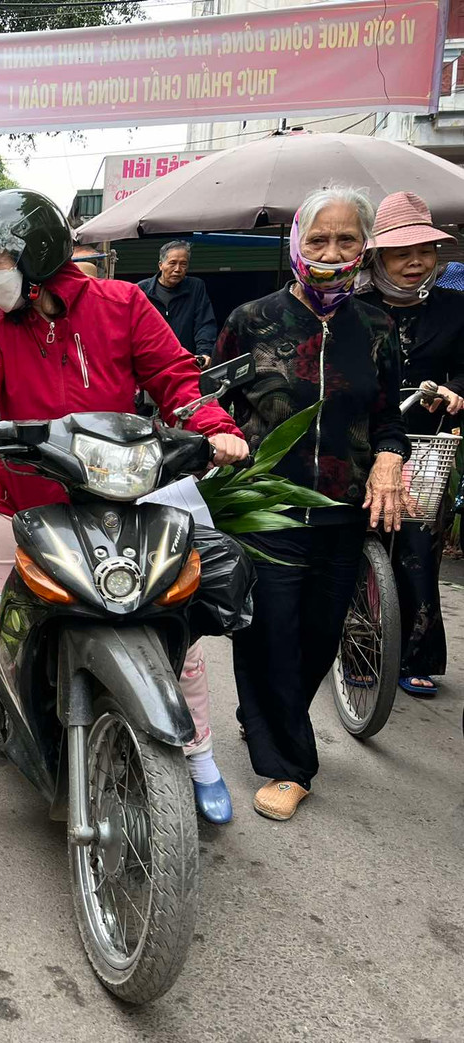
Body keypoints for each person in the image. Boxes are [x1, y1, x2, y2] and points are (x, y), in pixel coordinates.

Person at [0, 189, 249, 824]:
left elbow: (175, 378)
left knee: (175, 630)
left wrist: (213, 424)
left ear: (33, 255)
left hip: (123, 501)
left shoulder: (121, 304)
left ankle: (199, 755)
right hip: (21, 502)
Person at [214, 185, 410, 822]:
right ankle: (287, 764)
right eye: (319, 239)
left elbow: (389, 417)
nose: (332, 252)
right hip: (266, 507)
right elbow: (207, 400)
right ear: (298, 242)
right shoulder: (252, 320)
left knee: (320, 633)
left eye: (346, 239)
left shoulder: (378, 327)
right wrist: (220, 441)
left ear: (364, 248)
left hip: (343, 507)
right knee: (269, 629)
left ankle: (265, 717)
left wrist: (389, 455)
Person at [356, 191, 464, 698]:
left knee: (417, 547)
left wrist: (457, 392)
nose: (415, 261)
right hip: (361, 441)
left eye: (424, 250)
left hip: (427, 444)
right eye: (402, 252)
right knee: (358, 544)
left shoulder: (455, 308)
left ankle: (418, 652)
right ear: (379, 257)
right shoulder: (353, 308)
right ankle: (360, 647)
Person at [138, 241, 218, 367]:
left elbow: (204, 323)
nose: (177, 269)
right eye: (172, 263)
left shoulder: (195, 287)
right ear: (161, 265)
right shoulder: (141, 290)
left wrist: (204, 352)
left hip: (186, 362)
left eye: (183, 264)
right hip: (151, 364)